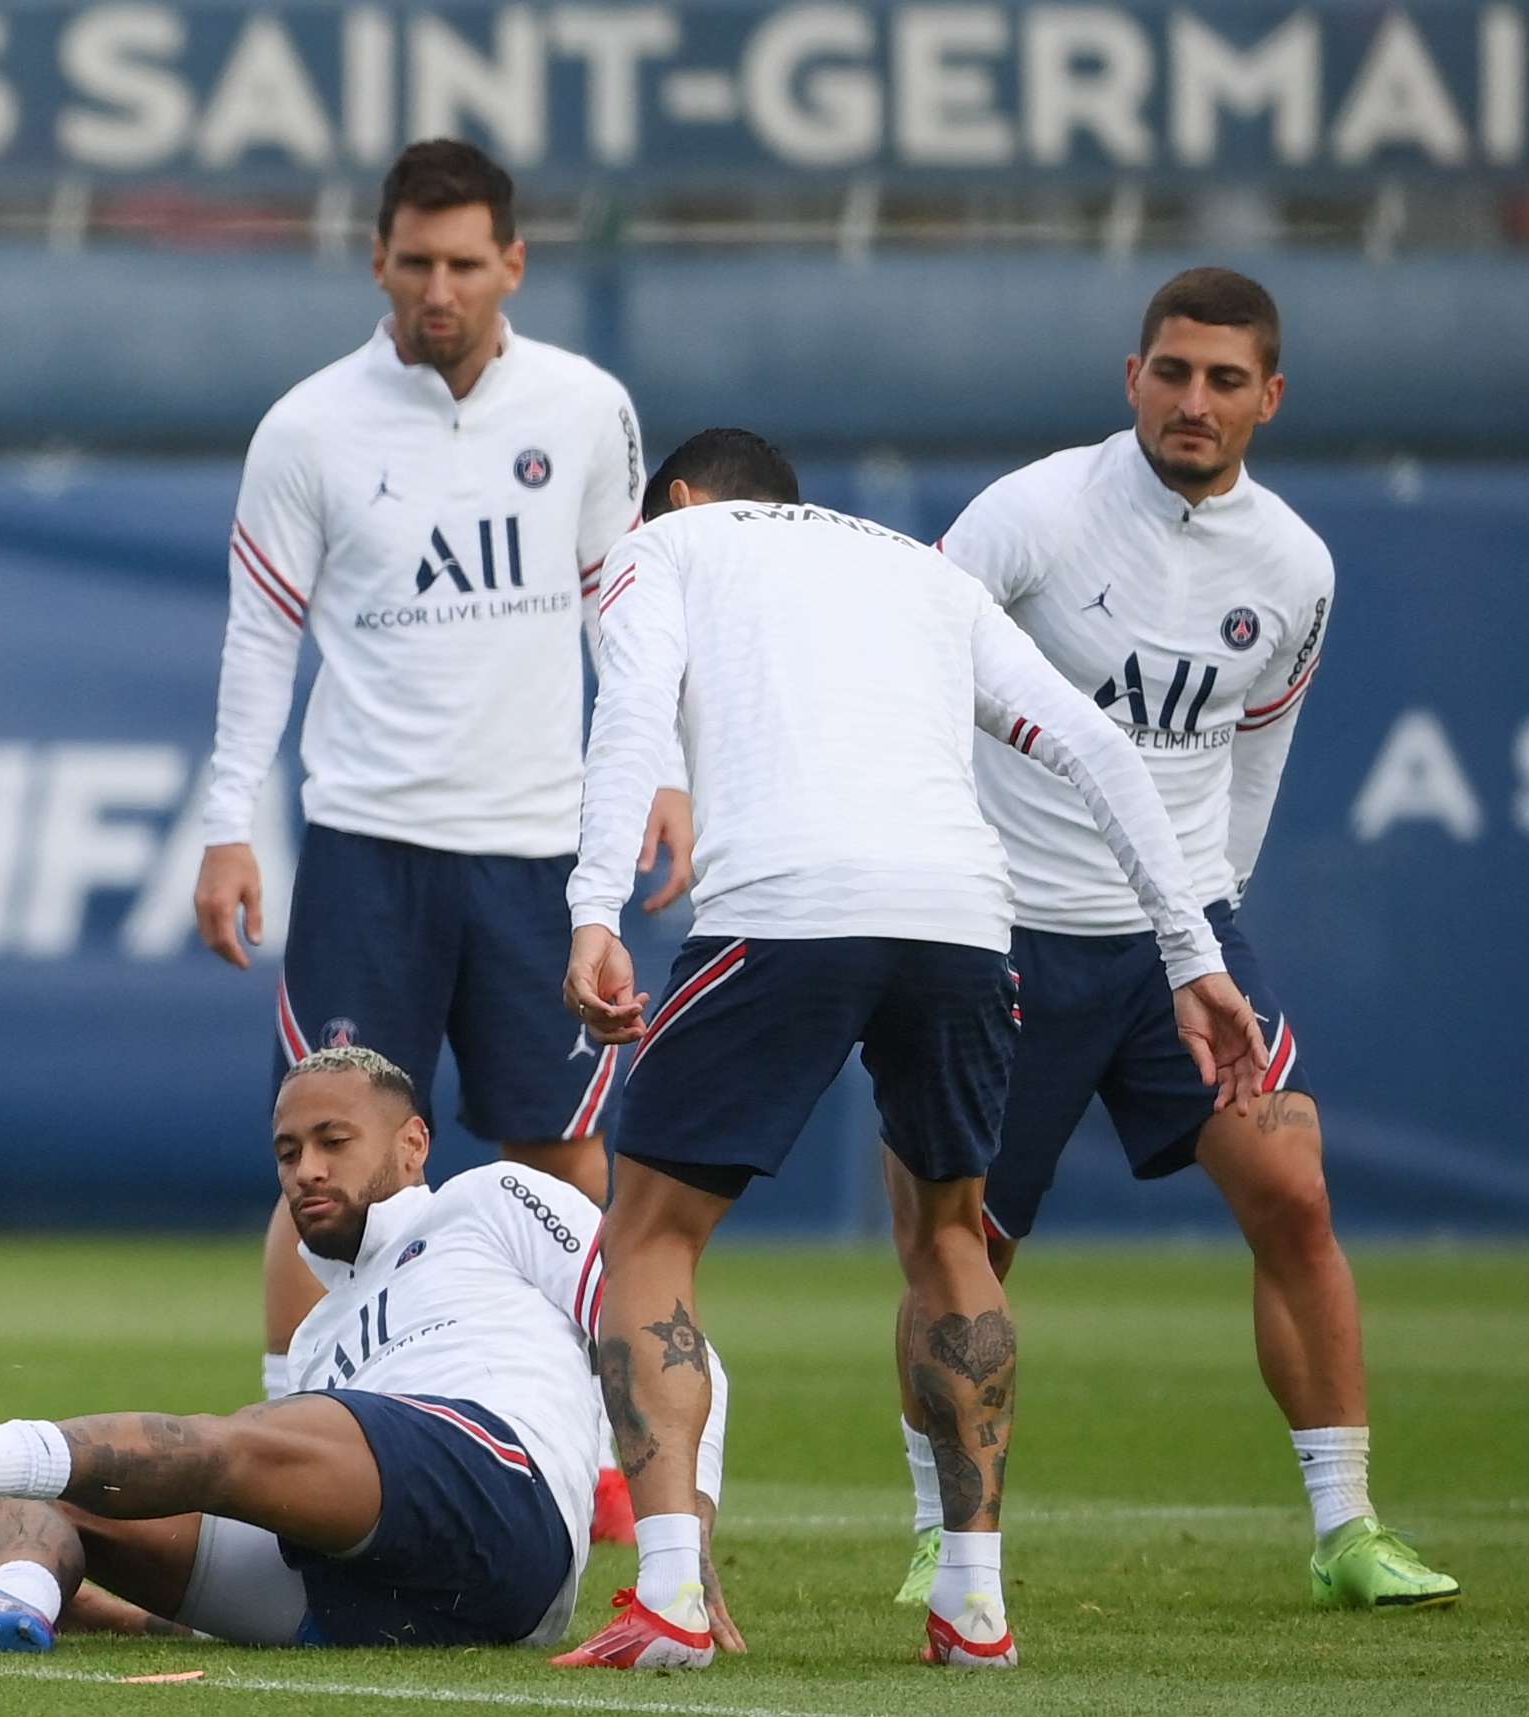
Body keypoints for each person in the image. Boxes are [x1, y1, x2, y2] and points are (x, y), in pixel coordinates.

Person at [553, 430, 1267, 1673]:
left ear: (674, 495)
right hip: (963, 920)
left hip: (783, 907)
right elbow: (1099, 747)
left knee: (651, 1234)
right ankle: (974, 1606)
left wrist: (594, 911)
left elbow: (629, 718)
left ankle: (667, 1594)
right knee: (951, 1233)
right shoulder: (922, 572)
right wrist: (1192, 955)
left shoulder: (659, 548)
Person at [886, 268, 1460, 1614]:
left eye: (1223, 379)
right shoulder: (1030, 517)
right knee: (964, 1250)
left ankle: (1347, 1528)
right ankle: (940, 1528)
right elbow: (909, 682)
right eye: (1172, 372)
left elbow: (1257, 752)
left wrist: (1210, 912)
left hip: (1176, 943)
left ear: (1271, 396)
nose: (1193, 400)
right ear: (1131, 376)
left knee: (1294, 1190)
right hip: (1006, 932)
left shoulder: (1296, 566)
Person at [190, 140, 688, 1540]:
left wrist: (671, 772)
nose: (441, 288)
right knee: (325, 1160)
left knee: (562, 1163)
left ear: (514, 264)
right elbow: (259, 637)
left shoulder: (587, 409)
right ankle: (294, 1426)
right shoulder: (310, 428)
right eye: (416, 262)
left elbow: (628, 614)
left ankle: (595, 1453)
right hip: (367, 847)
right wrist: (230, 823)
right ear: (379, 263)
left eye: (468, 262)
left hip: (536, 853)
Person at [0, 1046, 737, 1656]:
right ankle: (16, 1607)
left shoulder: (488, 1201)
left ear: (412, 1145)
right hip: (397, 1602)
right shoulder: (321, 1332)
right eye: (287, 1151)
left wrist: (678, 1547)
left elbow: (673, 1344)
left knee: (235, 1445)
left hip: (503, 1493)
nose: (306, 1169)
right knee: (41, 1485)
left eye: (333, 1140)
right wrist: (107, 1604)